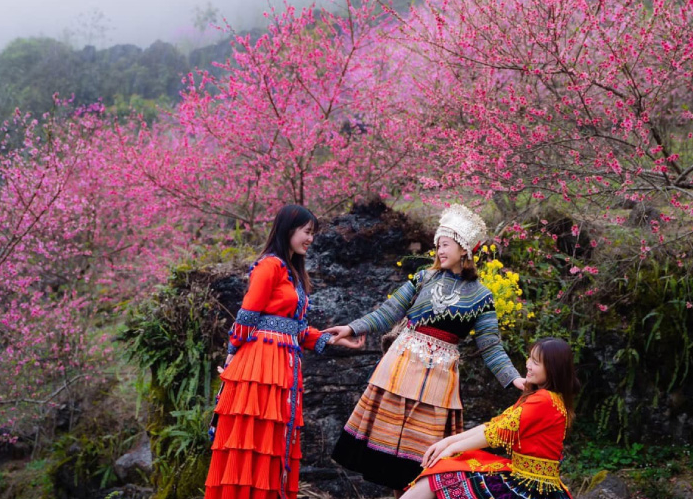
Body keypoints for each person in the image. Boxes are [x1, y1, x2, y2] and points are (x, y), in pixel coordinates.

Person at [326, 204, 526, 491]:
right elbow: (389, 311)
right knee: (387, 457)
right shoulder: (424, 278)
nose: (439, 252)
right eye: (437, 246)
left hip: (438, 383)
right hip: (400, 370)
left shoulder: (482, 297)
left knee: (422, 462)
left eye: (444, 245)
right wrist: (352, 327)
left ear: (463, 248)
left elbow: (491, 347)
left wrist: (514, 378)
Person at [204, 204, 363, 499]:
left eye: (312, 233)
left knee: (274, 442)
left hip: (282, 365)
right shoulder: (270, 266)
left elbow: (294, 328)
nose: (310, 239)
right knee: (254, 441)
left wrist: (333, 339)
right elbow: (247, 316)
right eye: (306, 232)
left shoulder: (292, 273)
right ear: (288, 230)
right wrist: (231, 357)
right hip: (260, 366)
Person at [400, 337, 579, 499]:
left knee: (444, 471)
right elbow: (495, 425)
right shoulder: (543, 397)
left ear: (553, 369)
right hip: (528, 478)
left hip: (531, 487)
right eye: (530, 358)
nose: (528, 365)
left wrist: (450, 448)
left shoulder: (544, 400)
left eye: (536, 362)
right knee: (449, 466)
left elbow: (496, 433)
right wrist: (447, 443)